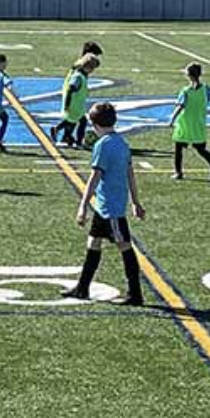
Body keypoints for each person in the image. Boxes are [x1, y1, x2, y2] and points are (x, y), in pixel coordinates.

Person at [62, 101, 146, 307]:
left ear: (95, 124)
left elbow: (95, 177)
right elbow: (130, 173)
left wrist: (82, 206)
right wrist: (136, 201)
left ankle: (135, 293)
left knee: (124, 246)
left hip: (111, 207)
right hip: (104, 206)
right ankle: (82, 288)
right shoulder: (122, 143)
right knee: (93, 242)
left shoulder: (103, 145)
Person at [168, 62, 210, 183]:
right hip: (199, 123)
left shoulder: (186, 91)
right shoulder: (205, 89)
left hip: (185, 123)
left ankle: (178, 172)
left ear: (189, 76)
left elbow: (180, 106)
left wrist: (172, 118)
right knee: (201, 148)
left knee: (178, 148)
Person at [50, 41, 103, 148]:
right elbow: (73, 84)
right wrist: (67, 103)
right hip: (74, 95)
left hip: (76, 95)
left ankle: (67, 136)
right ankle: (72, 137)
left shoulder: (82, 65)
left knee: (73, 120)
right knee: (77, 120)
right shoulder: (80, 69)